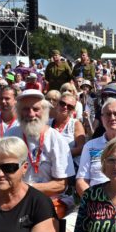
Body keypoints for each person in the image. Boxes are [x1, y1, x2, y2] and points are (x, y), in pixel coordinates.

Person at [6, 89, 75, 218]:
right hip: (14, 200)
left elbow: (61, 185)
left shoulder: (56, 139)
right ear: (19, 112)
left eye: (36, 109)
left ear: (44, 111)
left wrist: (25, 188)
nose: (31, 114)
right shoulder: (10, 135)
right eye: (26, 109)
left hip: (47, 202)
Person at [51, 92, 86, 165]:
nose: (65, 107)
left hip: (69, 164)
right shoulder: (47, 123)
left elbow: (81, 148)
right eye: (62, 103)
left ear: (73, 110)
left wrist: (61, 155)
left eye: (70, 106)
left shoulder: (76, 124)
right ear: (57, 104)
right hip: (49, 163)